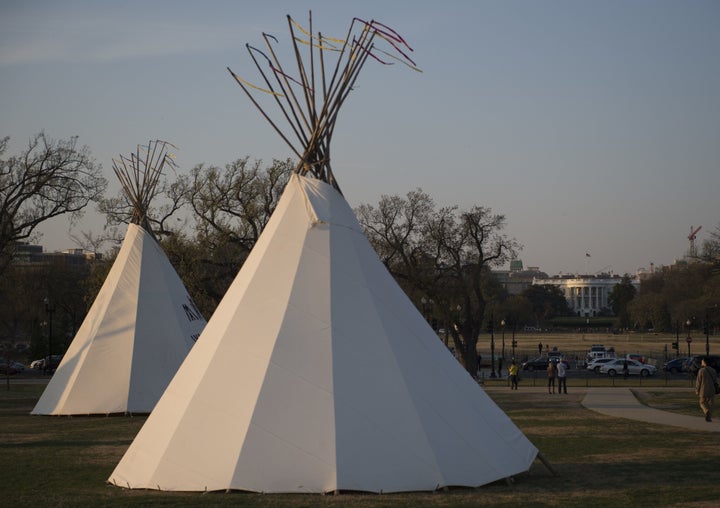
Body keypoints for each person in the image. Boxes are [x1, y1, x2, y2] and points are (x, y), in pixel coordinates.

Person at [695, 357, 718, 422]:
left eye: (702, 361)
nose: (701, 362)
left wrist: (697, 390)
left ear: (705, 362)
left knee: (702, 403)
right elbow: (715, 381)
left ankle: (706, 411)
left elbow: (698, 381)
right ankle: (709, 416)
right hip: (712, 390)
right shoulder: (713, 370)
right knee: (710, 404)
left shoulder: (701, 370)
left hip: (703, 390)